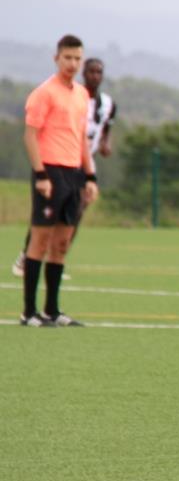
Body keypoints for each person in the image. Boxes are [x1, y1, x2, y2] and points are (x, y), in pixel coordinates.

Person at [20, 35, 99, 327]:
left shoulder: (81, 94)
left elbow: (80, 139)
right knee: (40, 240)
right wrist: (40, 174)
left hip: (74, 173)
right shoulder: (44, 93)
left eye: (78, 58)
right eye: (68, 58)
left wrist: (90, 176)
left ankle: (52, 310)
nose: (73, 64)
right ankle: (29, 312)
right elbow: (30, 136)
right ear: (57, 59)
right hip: (50, 171)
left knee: (62, 242)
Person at [13, 57, 115, 279]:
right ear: (83, 73)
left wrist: (105, 145)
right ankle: (27, 254)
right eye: (91, 71)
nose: (94, 76)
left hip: (84, 164)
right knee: (48, 214)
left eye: (99, 72)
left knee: (73, 215)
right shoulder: (73, 94)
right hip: (62, 160)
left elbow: (105, 128)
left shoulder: (107, 103)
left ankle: (58, 257)